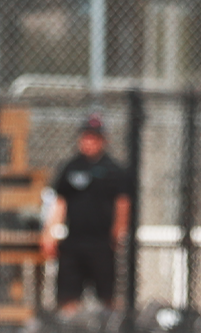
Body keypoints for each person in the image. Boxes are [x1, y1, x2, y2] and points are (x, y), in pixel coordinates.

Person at [40, 115, 135, 319]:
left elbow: (123, 203)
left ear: (103, 140)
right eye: (86, 137)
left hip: (102, 243)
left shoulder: (114, 170)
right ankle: (69, 332)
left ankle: (109, 332)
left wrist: (119, 232)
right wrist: (49, 232)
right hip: (74, 241)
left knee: (107, 296)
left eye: (94, 137)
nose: (89, 142)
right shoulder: (70, 167)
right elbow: (60, 202)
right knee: (67, 297)